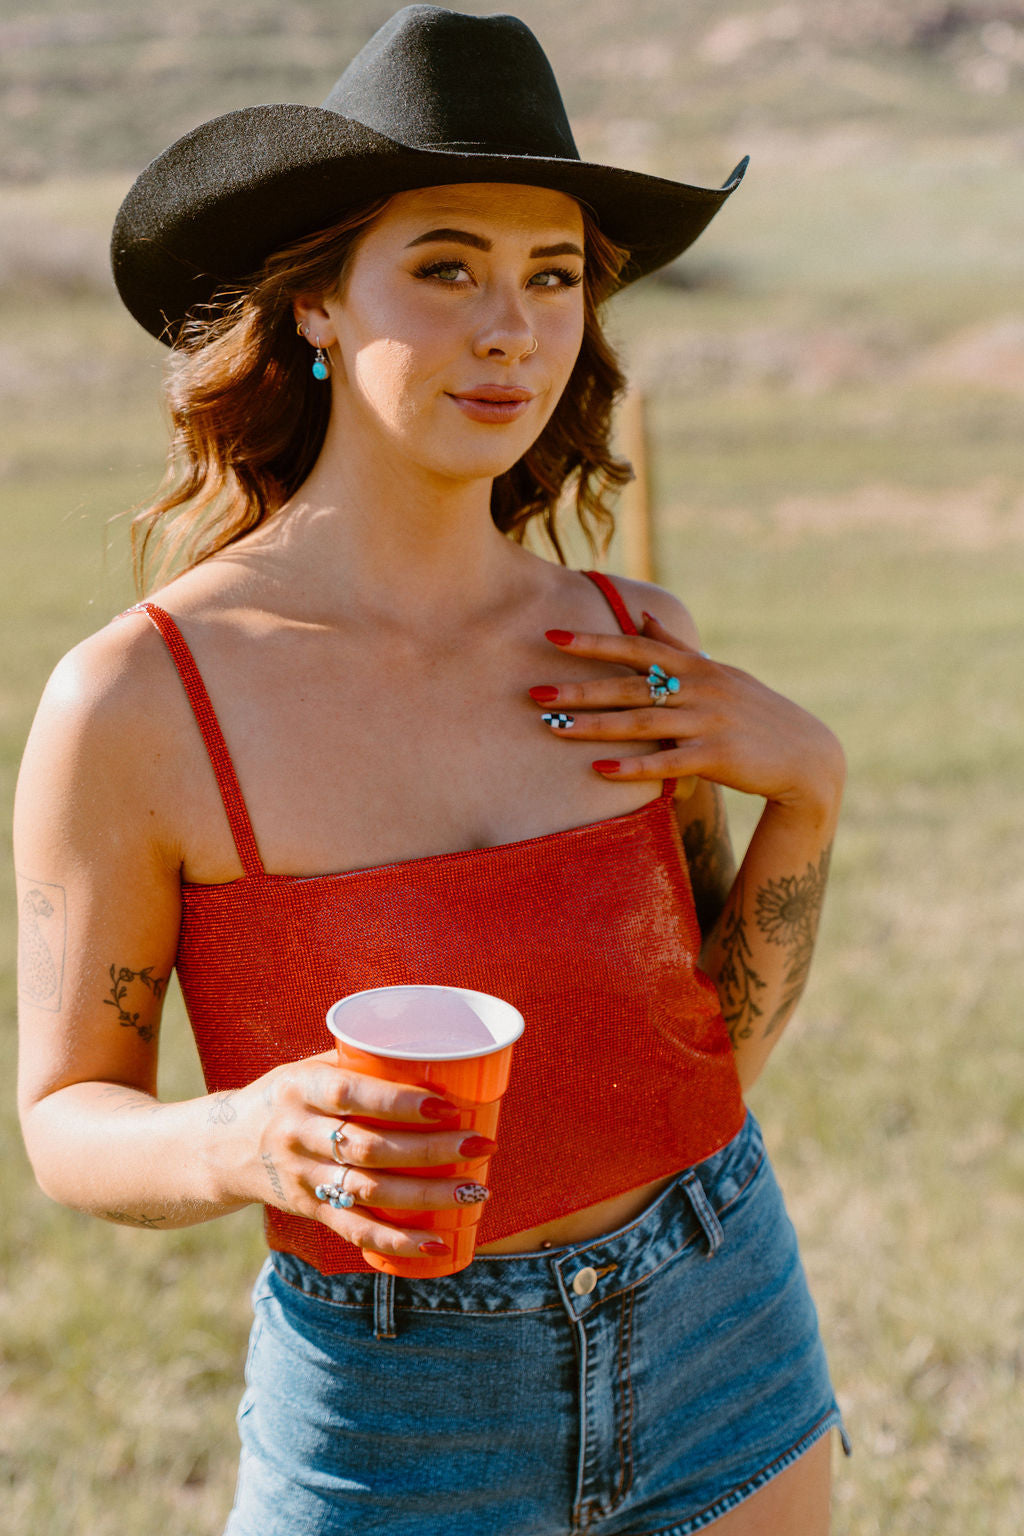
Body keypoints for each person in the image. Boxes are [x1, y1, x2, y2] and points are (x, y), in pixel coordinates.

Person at [15, 8, 850, 1533]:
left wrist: (810, 792)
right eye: (448, 268)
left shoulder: (632, 642)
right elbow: (68, 1113)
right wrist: (243, 1134)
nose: (511, 329)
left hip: (723, 1317)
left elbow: (705, 1058)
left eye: (553, 280)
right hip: (398, 1410)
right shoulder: (140, 701)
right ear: (320, 303)